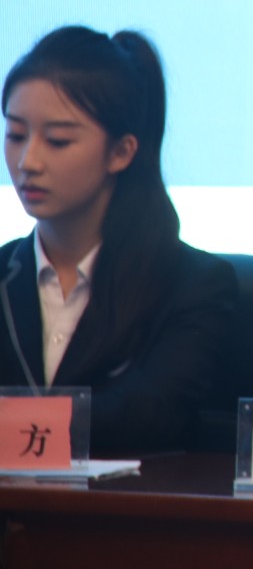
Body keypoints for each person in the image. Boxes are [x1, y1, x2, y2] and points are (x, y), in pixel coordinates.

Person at [1, 25, 237, 455]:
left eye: (57, 141)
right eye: (16, 135)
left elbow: (145, 415)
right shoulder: (5, 272)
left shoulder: (192, 284)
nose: (27, 162)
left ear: (121, 152)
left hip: (125, 499)